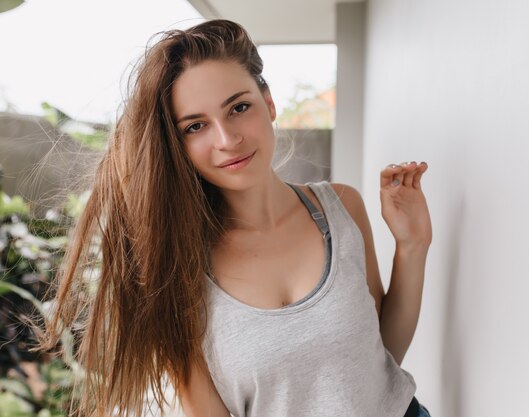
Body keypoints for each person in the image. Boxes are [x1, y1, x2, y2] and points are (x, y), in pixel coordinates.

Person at [40, 19, 433, 417]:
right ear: (178, 147)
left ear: (269, 102)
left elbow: (379, 358)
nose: (227, 140)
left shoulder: (341, 208)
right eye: (196, 126)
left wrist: (412, 246)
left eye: (239, 107)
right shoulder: (178, 268)